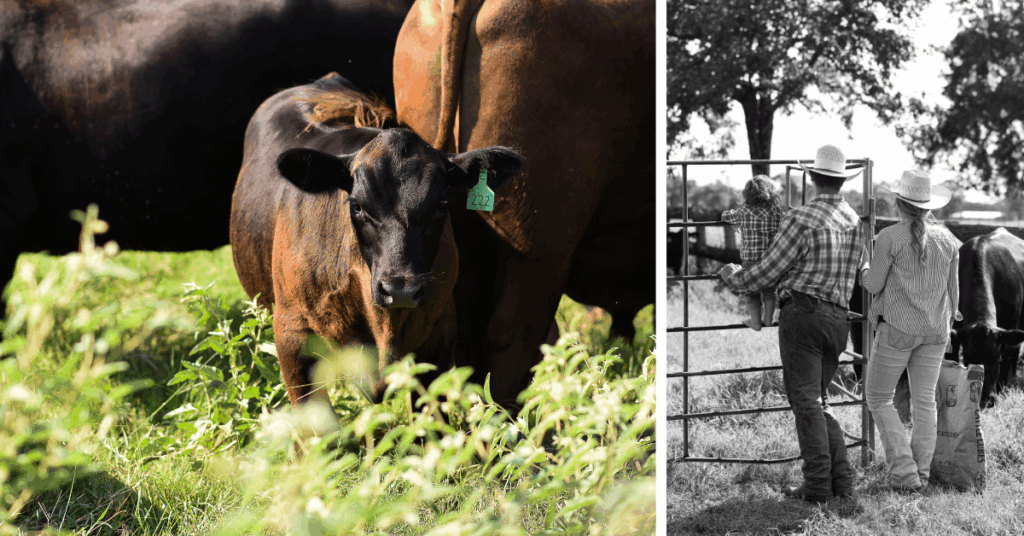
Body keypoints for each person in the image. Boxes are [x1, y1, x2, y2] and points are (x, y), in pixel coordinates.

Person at [718, 144, 867, 503]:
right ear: (842, 181)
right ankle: (842, 482)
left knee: (806, 402)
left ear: (812, 178)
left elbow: (769, 269)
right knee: (819, 400)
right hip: (838, 319)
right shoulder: (855, 221)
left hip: (803, 314)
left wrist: (735, 278)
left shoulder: (800, 218)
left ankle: (817, 485)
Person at [861, 169, 961, 494]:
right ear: (929, 205)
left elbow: (873, 284)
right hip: (936, 331)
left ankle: (905, 475)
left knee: (877, 397)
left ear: (898, 201)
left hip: (898, 328)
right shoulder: (949, 240)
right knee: (924, 403)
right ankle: (921, 474)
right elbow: (954, 296)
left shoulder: (888, 237)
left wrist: (863, 267)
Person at [722, 175, 787, 330]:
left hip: (750, 261)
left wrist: (733, 222)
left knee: (751, 292)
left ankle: (756, 321)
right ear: (771, 194)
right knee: (770, 290)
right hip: (771, 261)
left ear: (746, 195)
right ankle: (768, 319)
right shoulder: (777, 212)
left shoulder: (744, 212)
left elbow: (725, 215)